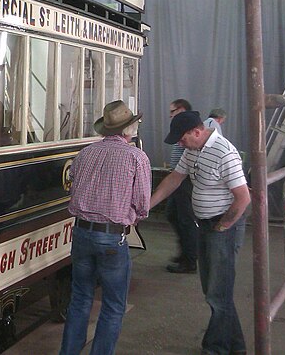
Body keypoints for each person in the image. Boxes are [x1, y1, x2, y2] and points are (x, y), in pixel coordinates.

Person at [150, 111, 251, 355]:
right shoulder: (193, 150)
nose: (179, 143)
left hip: (222, 226)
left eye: (182, 139)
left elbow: (243, 198)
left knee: (217, 293)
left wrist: (222, 227)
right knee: (215, 290)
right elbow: (174, 178)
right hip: (207, 225)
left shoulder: (224, 153)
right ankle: (236, 347)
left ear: (197, 132)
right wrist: (147, 205)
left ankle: (215, 348)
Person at [59, 100, 151, 355]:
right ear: (127, 129)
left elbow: (73, 185)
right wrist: (131, 217)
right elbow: (143, 204)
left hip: (81, 233)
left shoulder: (86, 153)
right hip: (111, 238)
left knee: (79, 299)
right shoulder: (136, 157)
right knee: (112, 306)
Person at [164, 98, 198, 273]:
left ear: (182, 109)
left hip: (184, 181)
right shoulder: (180, 129)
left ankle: (190, 260)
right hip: (177, 178)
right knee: (172, 215)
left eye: (173, 111)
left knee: (186, 220)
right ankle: (185, 252)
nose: (170, 115)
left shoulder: (189, 130)